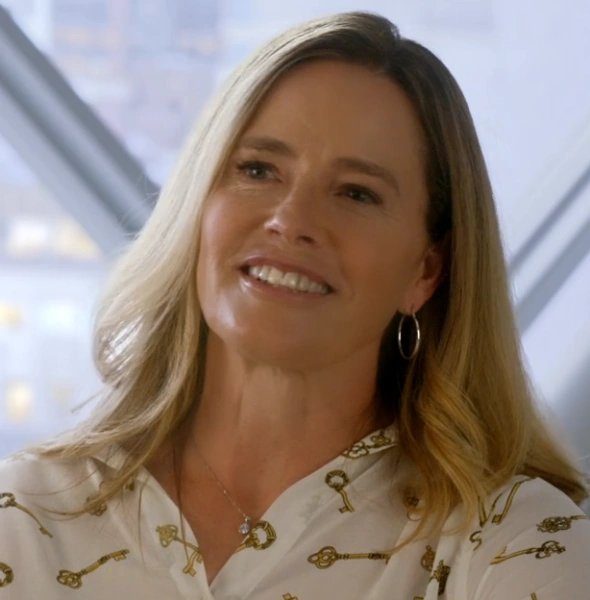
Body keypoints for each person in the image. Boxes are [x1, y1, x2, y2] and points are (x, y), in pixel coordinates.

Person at [1, 10, 589, 599]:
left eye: (357, 193)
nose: (291, 220)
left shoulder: (515, 542)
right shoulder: (23, 520)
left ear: (427, 271)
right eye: (258, 169)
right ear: (198, 207)